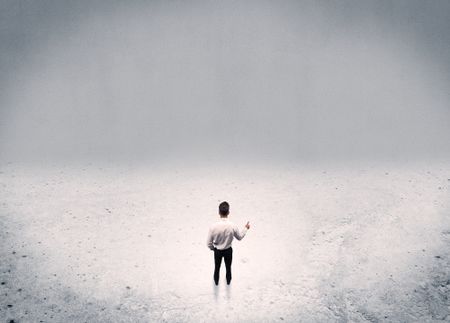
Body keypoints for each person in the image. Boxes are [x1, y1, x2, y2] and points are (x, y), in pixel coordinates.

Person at [206, 201, 250, 285]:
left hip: (217, 251)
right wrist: (246, 228)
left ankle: (216, 282)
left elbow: (208, 243)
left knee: (217, 268)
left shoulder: (213, 227)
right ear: (228, 212)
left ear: (219, 212)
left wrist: (213, 249)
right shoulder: (232, 225)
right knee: (228, 268)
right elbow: (239, 237)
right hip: (228, 251)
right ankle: (228, 282)